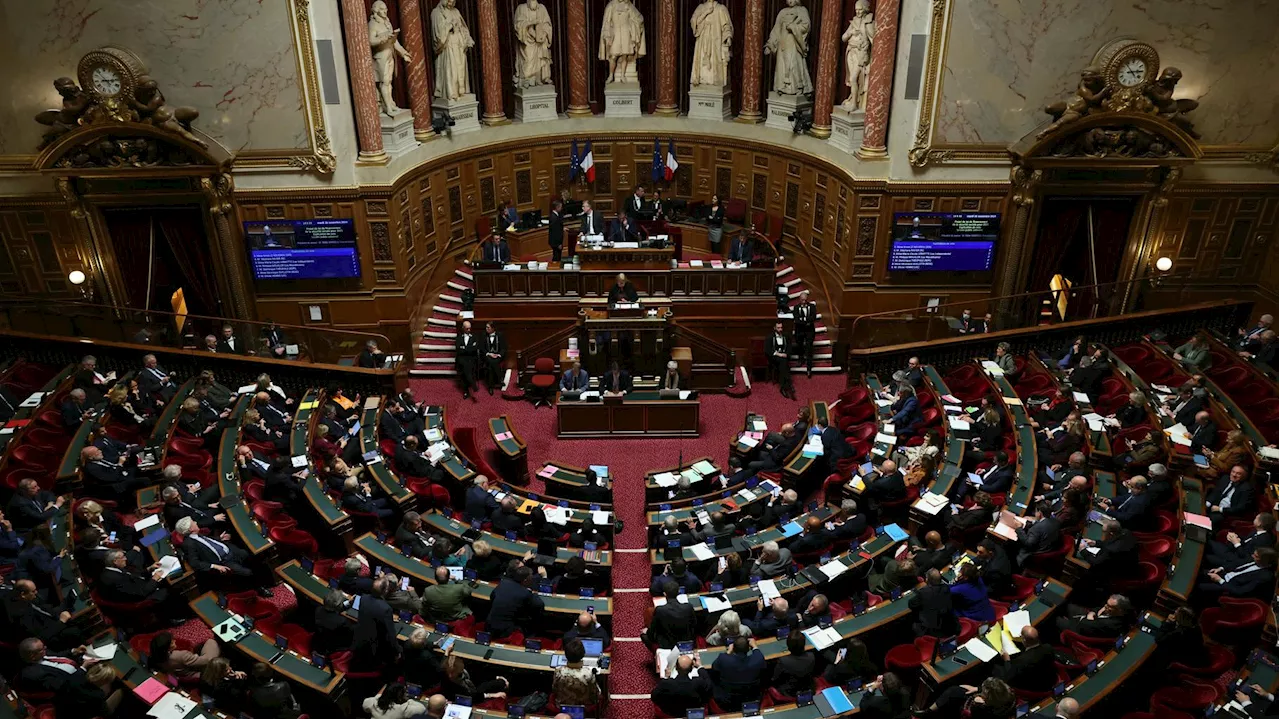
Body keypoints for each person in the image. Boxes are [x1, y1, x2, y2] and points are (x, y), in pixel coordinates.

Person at [17, 638, 123, 716]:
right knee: (114, 685)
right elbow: (65, 687)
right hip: (76, 691)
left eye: (44, 646)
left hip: (82, 671)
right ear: (33, 656)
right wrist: (83, 668)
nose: (45, 648)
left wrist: (74, 651)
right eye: (42, 649)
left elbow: (58, 655)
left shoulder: (42, 653)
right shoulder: (35, 674)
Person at [173, 518, 276, 597]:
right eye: (193, 522)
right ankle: (259, 588)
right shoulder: (189, 544)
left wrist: (219, 538)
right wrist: (215, 566)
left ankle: (270, 582)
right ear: (191, 529)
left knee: (254, 555)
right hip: (224, 561)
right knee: (247, 573)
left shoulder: (196, 534)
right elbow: (194, 563)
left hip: (230, 550)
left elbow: (207, 543)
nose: (195, 522)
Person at [4, 579, 83, 650]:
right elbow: (41, 637)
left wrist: (65, 604)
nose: (36, 592)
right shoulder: (20, 616)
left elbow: (47, 610)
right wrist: (61, 622)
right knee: (74, 631)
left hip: (52, 622)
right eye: (33, 591)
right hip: (49, 638)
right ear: (23, 594)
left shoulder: (29, 598)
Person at [1078, 519, 1139, 598]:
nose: (1102, 533)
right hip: (1129, 562)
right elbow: (1111, 541)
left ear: (1110, 533)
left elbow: (1096, 562)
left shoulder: (1112, 549)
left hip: (1121, 572)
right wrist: (1095, 543)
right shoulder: (1126, 532)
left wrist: (1083, 550)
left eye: (1104, 531)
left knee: (1089, 573)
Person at [1200, 547, 1277, 602]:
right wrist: (1220, 568)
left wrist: (1220, 580)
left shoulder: (1264, 577)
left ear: (1264, 561)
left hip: (1227, 588)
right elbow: (1236, 563)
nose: (1252, 556)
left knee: (1199, 586)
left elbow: (1240, 591)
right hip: (1223, 575)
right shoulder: (1253, 559)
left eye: (1256, 556)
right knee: (1200, 574)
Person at [710, 636, 766, 711]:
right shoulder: (758, 659)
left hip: (727, 701)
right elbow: (758, 653)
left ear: (733, 648)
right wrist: (755, 646)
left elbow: (713, 668)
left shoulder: (723, 659)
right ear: (749, 648)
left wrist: (728, 652)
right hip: (751, 698)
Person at [992, 626, 1056, 692]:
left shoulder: (1022, 661)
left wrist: (1007, 660)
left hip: (1034, 688)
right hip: (1050, 679)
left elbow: (1009, 677)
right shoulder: (1048, 647)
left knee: (996, 668)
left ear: (1024, 640)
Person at [488, 565, 545, 638]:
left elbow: (492, 597)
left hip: (489, 625)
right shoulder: (525, 593)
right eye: (531, 578)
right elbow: (539, 605)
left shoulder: (503, 583)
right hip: (506, 631)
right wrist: (533, 594)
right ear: (525, 580)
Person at [1207, 511, 1277, 569]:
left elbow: (1246, 557)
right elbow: (1246, 540)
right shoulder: (1257, 531)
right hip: (1233, 551)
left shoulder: (1263, 541)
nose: (1254, 519)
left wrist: (1236, 543)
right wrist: (1236, 537)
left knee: (1207, 557)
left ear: (1259, 523)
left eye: (1256, 518)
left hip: (1235, 560)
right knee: (1209, 542)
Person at [651, 652, 713, 717]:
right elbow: (709, 684)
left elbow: (654, 696)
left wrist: (666, 678)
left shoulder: (667, 683)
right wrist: (700, 667)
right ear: (692, 668)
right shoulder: (698, 682)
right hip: (693, 713)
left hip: (670, 712)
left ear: (676, 667)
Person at [442, 647, 510, 704]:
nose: (450, 675)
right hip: (471, 697)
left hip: (474, 685)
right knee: (500, 685)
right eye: (450, 673)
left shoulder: (463, 667)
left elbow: (479, 673)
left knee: (501, 682)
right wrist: (493, 695)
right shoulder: (448, 683)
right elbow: (472, 697)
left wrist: (497, 677)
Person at [644, 580, 695, 648]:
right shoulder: (688, 607)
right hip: (685, 642)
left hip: (667, 644)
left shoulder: (660, 610)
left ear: (665, 594)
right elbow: (694, 624)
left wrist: (647, 632)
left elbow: (653, 629)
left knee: (644, 635)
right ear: (678, 592)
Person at [149, 632, 220, 681]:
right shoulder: (180, 655)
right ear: (167, 647)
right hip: (195, 675)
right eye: (172, 642)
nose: (175, 641)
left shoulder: (155, 655)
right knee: (211, 642)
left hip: (178, 672)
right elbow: (206, 660)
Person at [1055, 594, 1132, 638]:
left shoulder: (1112, 624)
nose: (1105, 607)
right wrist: (1094, 613)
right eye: (1106, 604)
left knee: (1056, 619)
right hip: (1090, 619)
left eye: (1109, 606)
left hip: (1081, 630)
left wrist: (1090, 617)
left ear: (1120, 610)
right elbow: (1097, 609)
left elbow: (1084, 623)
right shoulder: (1113, 611)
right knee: (1067, 606)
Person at [910, 568, 959, 638]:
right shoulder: (946, 588)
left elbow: (911, 604)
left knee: (915, 624)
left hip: (934, 631)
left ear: (927, 580)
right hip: (950, 626)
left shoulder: (923, 592)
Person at [552, 639, 601, 708]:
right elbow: (595, 694)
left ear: (566, 655)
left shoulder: (558, 671)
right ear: (583, 654)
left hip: (562, 705)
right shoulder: (588, 674)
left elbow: (554, 689)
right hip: (584, 707)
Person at [1015, 501, 1062, 567]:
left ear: (1040, 513)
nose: (1034, 514)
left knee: (1012, 544)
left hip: (1032, 556)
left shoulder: (1037, 528)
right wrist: (1034, 521)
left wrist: (1019, 528)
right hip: (1048, 549)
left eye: (1035, 512)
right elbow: (1045, 525)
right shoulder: (1056, 521)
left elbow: (1028, 544)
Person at [313, 589, 355, 656]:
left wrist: (348, 603)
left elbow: (333, 609)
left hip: (320, 641)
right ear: (338, 605)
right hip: (334, 647)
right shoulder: (342, 621)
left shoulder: (318, 610)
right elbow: (351, 634)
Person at [792, 290, 817, 376]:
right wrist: (806, 320)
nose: (804, 301)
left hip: (810, 331)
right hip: (799, 331)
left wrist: (803, 320)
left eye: (805, 300)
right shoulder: (796, 308)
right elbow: (797, 320)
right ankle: (801, 359)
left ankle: (809, 368)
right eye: (802, 300)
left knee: (809, 348)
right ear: (799, 299)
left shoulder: (812, 306)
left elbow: (813, 318)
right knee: (800, 346)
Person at [767, 321, 794, 398]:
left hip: (783, 357)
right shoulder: (770, 337)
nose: (780, 329)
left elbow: (789, 348)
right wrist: (778, 354)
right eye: (778, 328)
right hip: (774, 357)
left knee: (783, 362)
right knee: (783, 362)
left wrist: (786, 354)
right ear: (774, 328)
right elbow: (767, 350)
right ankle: (787, 384)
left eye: (781, 327)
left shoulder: (786, 336)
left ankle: (784, 386)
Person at [455, 320, 480, 399]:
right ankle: (472, 385)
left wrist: (465, 348)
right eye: (467, 329)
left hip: (471, 358)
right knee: (464, 366)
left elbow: (474, 349)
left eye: (470, 328)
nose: (469, 330)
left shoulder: (475, 337)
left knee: (466, 367)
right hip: (461, 358)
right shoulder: (459, 337)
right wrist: (469, 348)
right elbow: (459, 349)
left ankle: (467, 390)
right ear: (463, 328)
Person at [480, 321, 506, 394]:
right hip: (487, 355)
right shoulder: (483, 335)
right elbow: (482, 348)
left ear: (493, 328)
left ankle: (490, 386)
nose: (486, 329)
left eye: (488, 327)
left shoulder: (500, 335)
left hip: (497, 355)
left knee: (491, 365)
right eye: (486, 327)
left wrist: (499, 355)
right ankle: (500, 378)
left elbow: (503, 348)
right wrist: (489, 354)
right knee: (491, 361)